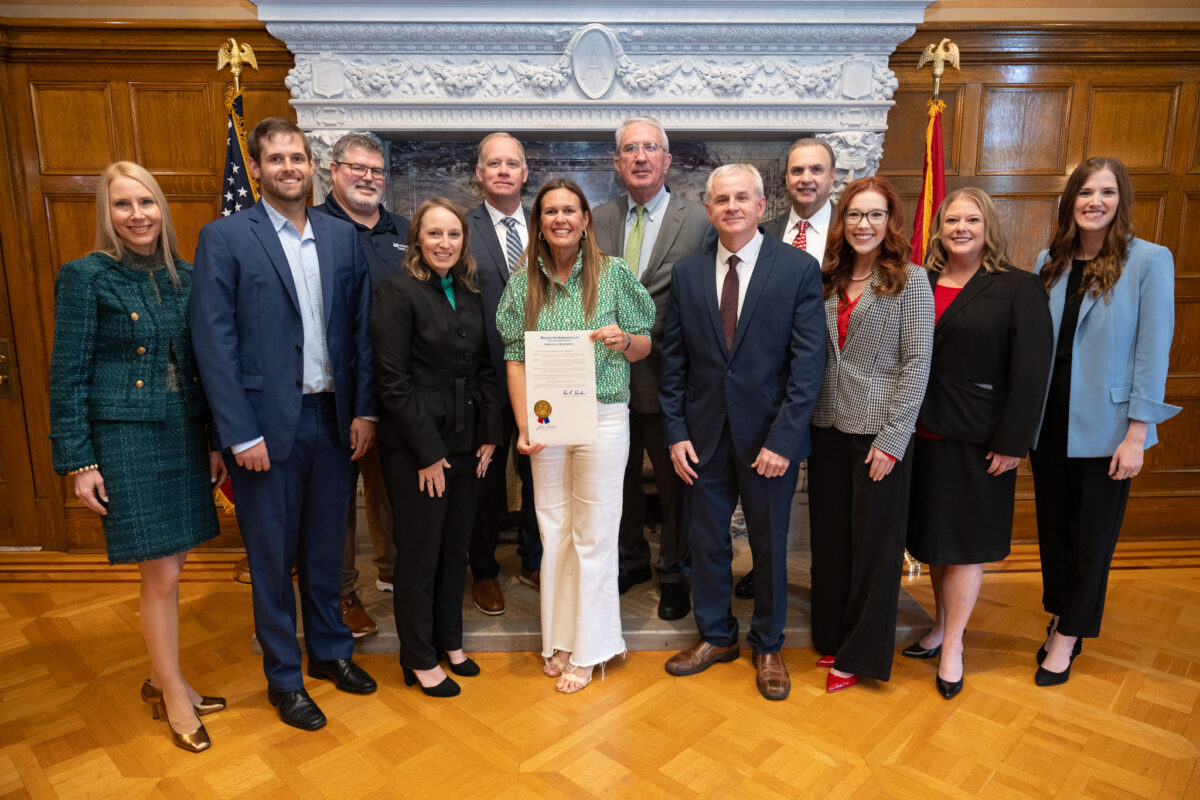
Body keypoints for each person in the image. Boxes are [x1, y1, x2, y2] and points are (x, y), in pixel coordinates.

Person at [191, 117, 378, 732]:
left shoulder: (341, 235)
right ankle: (284, 679)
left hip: (332, 419)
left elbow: (359, 333)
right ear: (258, 168)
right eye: (276, 160)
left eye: (297, 157)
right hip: (264, 431)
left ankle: (329, 654)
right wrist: (237, 433)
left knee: (327, 550)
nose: (288, 168)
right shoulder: (224, 237)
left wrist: (363, 410)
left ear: (313, 165)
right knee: (272, 561)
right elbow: (212, 342)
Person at [49, 161, 224, 752]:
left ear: (161, 209)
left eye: (146, 202)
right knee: (162, 571)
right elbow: (67, 376)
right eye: (123, 205)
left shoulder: (190, 276)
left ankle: (161, 676)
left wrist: (214, 443)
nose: (138, 215)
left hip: (181, 432)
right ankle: (172, 691)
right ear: (107, 213)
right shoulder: (86, 277)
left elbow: (205, 369)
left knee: (172, 567)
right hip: (124, 439)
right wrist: (79, 460)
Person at [659, 164, 825, 701]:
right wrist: (675, 430)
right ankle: (715, 637)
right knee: (706, 542)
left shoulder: (797, 269)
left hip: (768, 440)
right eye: (721, 199)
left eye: (742, 198)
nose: (731, 207)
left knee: (769, 544)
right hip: (701, 438)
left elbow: (808, 365)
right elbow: (674, 361)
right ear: (708, 210)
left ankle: (769, 645)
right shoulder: (686, 274)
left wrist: (783, 439)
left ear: (760, 206)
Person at [495, 177, 655, 694]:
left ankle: (591, 648)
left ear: (586, 219)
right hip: (547, 421)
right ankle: (561, 638)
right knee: (554, 529)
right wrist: (523, 426)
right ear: (538, 223)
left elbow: (644, 344)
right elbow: (514, 357)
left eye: (570, 210)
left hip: (604, 417)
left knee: (595, 531)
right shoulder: (525, 282)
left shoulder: (613, 274)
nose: (560, 219)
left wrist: (624, 339)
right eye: (549, 212)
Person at [1029, 157, 1179, 686]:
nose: (1095, 201)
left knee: (1093, 536)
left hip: (1110, 426)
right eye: (1085, 191)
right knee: (1055, 530)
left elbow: (1151, 352)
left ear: (1121, 200)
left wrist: (1138, 434)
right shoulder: (1050, 260)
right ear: (1070, 200)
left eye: (1107, 192)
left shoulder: (1149, 261)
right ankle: (1061, 611)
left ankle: (1068, 637)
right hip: (1048, 423)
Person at [902, 188, 1053, 699]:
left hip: (979, 439)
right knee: (936, 542)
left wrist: (1014, 441)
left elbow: (1031, 373)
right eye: (950, 220)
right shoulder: (917, 281)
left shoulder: (1018, 288)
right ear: (939, 228)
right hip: (919, 435)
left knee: (965, 547)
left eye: (970, 219)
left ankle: (954, 647)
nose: (960, 228)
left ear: (987, 225)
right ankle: (941, 626)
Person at [808, 175, 934, 693]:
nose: (864, 224)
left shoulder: (911, 280)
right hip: (827, 427)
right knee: (833, 542)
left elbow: (917, 365)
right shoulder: (826, 279)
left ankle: (861, 654)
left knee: (876, 548)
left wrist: (893, 439)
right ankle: (834, 637)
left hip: (878, 435)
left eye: (875, 215)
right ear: (843, 221)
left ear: (890, 222)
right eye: (855, 215)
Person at [372, 198, 501, 698]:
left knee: (455, 549)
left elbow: (488, 367)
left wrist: (490, 433)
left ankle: (450, 641)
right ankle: (417, 656)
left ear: (463, 242)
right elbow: (393, 381)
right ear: (417, 241)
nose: (444, 243)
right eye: (434, 234)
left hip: (469, 440)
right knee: (421, 553)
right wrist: (427, 453)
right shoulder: (396, 291)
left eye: (453, 234)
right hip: (417, 446)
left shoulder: (471, 292)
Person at [593, 116, 710, 620]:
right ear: (617, 163)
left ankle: (674, 571)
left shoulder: (702, 221)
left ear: (667, 160)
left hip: (672, 377)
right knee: (616, 478)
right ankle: (631, 560)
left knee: (675, 481)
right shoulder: (595, 219)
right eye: (629, 149)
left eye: (650, 148)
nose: (640, 157)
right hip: (608, 377)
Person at [315, 131, 411, 637]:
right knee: (336, 497)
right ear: (333, 170)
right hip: (335, 387)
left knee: (391, 486)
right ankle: (342, 590)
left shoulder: (404, 231)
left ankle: (395, 572)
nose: (369, 178)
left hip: (395, 383)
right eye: (359, 168)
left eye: (377, 171)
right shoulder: (312, 226)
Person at [739, 136, 838, 601]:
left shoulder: (853, 231)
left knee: (828, 497)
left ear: (832, 177)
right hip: (776, 394)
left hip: (841, 385)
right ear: (784, 180)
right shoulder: (765, 230)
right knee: (769, 500)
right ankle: (766, 572)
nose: (806, 179)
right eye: (797, 171)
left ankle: (828, 584)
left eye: (816, 170)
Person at [466, 132, 542, 616]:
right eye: (493, 163)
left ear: (525, 172)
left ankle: (535, 559)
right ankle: (485, 571)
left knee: (541, 474)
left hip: (544, 375)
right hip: (484, 376)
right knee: (486, 480)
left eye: (511, 164)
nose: (503, 171)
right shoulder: (460, 226)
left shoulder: (549, 220)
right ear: (479, 173)